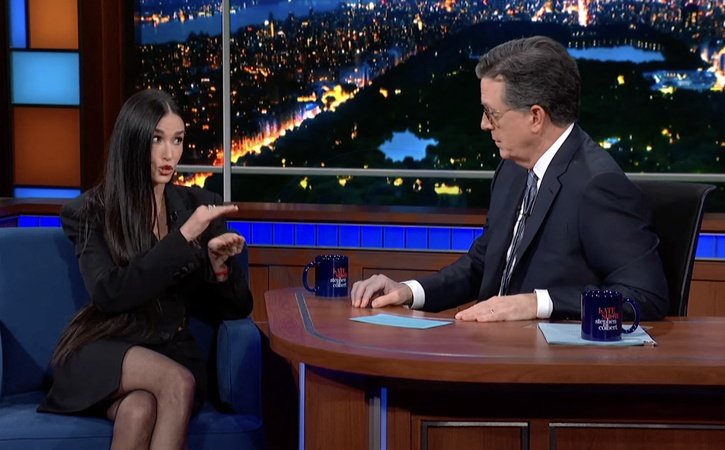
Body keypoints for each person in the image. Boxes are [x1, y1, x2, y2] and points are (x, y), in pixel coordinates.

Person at [351, 35, 669, 322]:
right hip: (491, 348)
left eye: (493, 113)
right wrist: (409, 291)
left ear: (535, 117)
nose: (484, 124)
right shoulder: (513, 169)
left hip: (551, 361)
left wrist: (537, 303)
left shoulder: (598, 185)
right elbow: (483, 263)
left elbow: (644, 296)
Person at [37, 89, 253, 449]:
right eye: (157, 139)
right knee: (176, 383)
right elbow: (109, 293)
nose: (170, 154)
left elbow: (237, 309)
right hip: (106, 348)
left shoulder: (199, 206)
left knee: (138, 410)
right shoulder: (90, 212)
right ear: (133, 142)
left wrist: (218, 268)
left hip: (172, 351)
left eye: (177, 140)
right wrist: (182, 238)